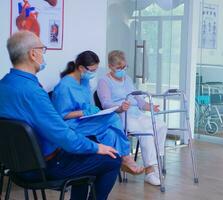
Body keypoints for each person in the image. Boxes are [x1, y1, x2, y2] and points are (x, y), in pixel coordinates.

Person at [0, 30, 120, 200]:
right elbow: (62, 134)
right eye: (43, 49)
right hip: (43, 166)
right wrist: (97, 148)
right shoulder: (32, 92)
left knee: (84, 151)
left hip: (15, 166)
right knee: (112, 159)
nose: (43, 54)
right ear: (33, 54)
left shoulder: (4, 85)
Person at [51, 50, 144, 175]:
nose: (94, 74)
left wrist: (92, 112)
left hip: (83, 121)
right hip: (70, 125)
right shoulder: (64, 86)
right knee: (113, 117)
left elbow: (86, 103)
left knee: (111, 134)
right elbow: (61, 116)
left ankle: (113, 164)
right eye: (91, 71)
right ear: (80, 68)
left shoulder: (84, 82)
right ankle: (125, 157)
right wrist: (83, 112)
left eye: (95, 70)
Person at [97, 50, 168, 186]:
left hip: (137, 114)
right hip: (121, 116)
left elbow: (139, 100)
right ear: (110, 66)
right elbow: (105, 103)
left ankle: (157, 162)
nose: (122, 70)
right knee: (147, 132)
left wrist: (150, 106)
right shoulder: (104, 81)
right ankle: (150, 170)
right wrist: (120, 106)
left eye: (124, 67)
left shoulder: (127, 79)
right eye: (119, 68)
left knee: (160, 125)